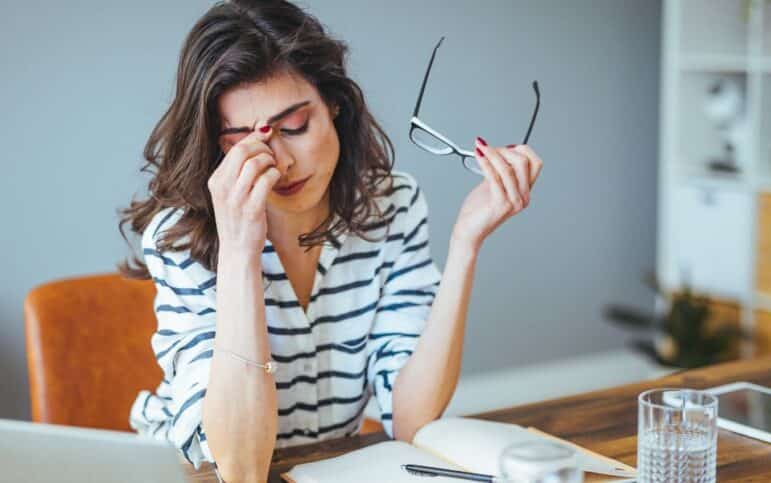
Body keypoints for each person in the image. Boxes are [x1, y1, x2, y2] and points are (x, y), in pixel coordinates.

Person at [118, 1, 543, 481]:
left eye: (295, 127)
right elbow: (239, 467)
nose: (280, 162)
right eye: (242, 141)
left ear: (334, 103)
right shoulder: (181, 241)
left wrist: (466, 244)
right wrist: (239, 253)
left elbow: (412, 420)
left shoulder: (391, 206)